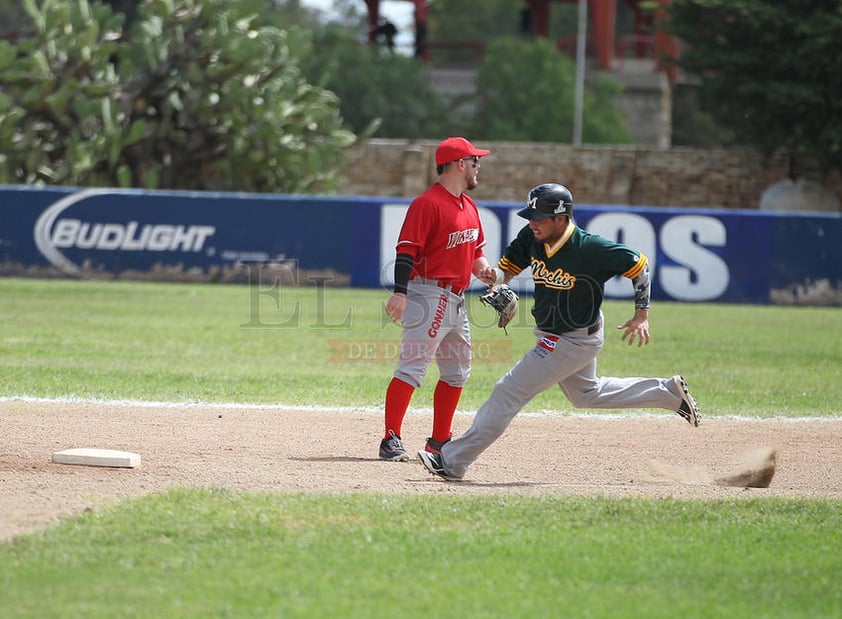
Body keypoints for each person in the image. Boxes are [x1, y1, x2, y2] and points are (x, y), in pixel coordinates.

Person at [417, 182, 701, 480]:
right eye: (530, 216)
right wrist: (496, 276)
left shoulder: (589, 247)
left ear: (562, 218)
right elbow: (509, 268)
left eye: (539, 217)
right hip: (563, 334)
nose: (533, 223)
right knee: (587, 395)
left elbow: (639, 266)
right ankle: (668, 393)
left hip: (570, 340)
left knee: (508, 391)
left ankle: (451, 461)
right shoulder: (532, 237)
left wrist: (641, 315)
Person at [379, 137, 497, 461]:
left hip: (457, 299)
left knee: (458, 372)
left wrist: (485, 271)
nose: (478, 167)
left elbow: (476, 253)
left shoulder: (469, 207)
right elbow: (406, 251)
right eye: (475, 161)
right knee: (412, 368)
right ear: (460, 164)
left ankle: (439, 442)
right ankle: (390, 439)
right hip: (427, 293)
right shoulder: (427, 203)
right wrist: (400, 294)